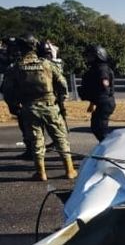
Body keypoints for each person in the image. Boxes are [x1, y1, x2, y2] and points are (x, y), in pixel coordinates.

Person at [2, 34, 76, 180]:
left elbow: (7, 90)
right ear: (34, 46)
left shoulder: (16, 67)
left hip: (29, 108)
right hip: (51, 106)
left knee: (36, 140)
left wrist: (13, 105)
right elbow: (62, 84)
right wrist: (61, 99)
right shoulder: (47, 64)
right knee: (61, 138)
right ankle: (69, 170)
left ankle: (41, 172)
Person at [1, 36, 34, 160]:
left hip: (22, 97)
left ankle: (32, 149)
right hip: (20, 95)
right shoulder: (9, 58)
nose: (14, 49)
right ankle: (32, 148)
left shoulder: (19, 61)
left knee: (26, 124)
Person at [78, 44, 116, 142]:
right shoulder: (97, 68)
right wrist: (92, 103)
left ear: (98, 56)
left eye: (91, 56)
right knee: (97, 127)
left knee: (100, 129)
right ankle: (104, 147)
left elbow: (104, 88)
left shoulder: (101, 69)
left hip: (105, 103)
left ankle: (108, 149)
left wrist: (97, 100)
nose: (88, 58)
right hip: (103, 103)